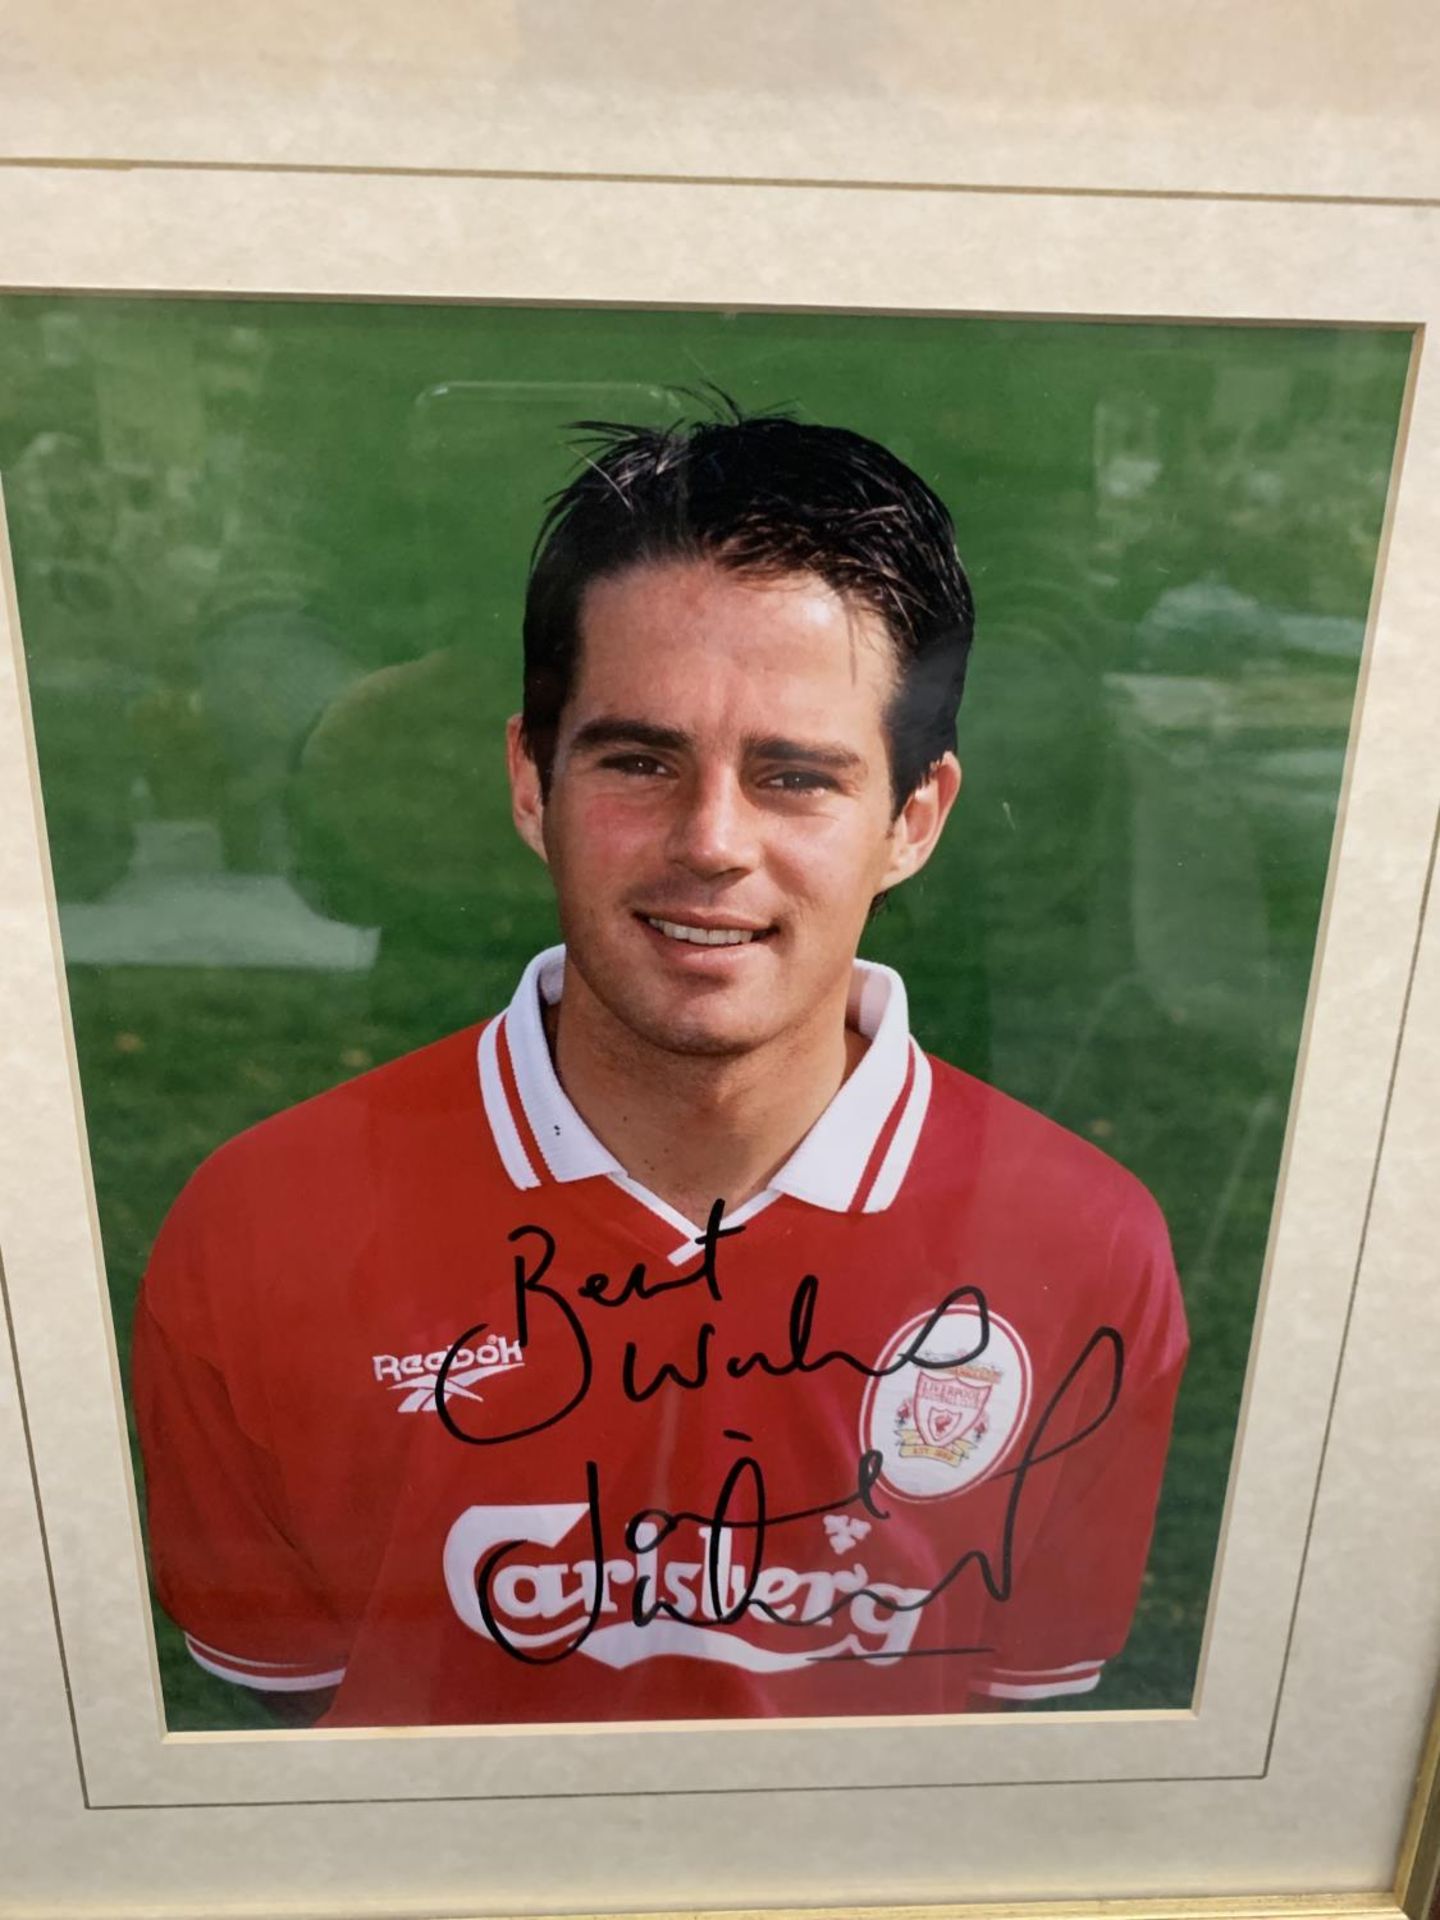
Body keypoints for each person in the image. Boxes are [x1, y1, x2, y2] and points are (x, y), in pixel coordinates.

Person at [132, 408, 1188, 1728]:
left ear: (915, 821)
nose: (711, 841)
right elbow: (278, 1715)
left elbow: (1018, 1727)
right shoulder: (261, 1233)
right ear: (532, 784)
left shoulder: (1081, 1249)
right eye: (640, 759)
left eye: (798, 776)